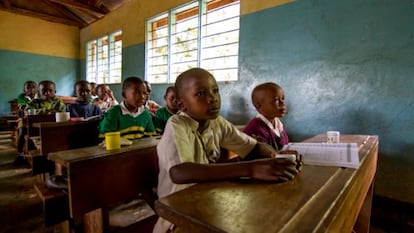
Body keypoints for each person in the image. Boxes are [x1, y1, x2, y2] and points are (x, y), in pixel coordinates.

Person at [154, 68, 302, 233]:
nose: (213, 99)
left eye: (215, 91)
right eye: (201, 94)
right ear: (182, 104)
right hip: (177, 217)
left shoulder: (216, 123)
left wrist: (277, 157)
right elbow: (180, 173)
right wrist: (250, 169)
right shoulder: (177, 125)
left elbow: (253, 146)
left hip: (208, 202)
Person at [243, 82, 289, 152]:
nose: (282, 103)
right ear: (259, 106)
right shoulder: (256, 130)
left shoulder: (279, 125)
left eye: (282, 98)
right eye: (276, 100)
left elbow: (285, 147)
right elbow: (262, 159)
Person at [14, 81, 38, 166]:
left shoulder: (39, 96)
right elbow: (22, 109)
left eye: (33, 87)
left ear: (37, 89)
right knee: (22, 130)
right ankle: (19, 154)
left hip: (37, 119)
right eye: (28, 87)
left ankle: (35, 152)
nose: (31, 89)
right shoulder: (21, 96)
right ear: (24, 90)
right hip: (23, 119)